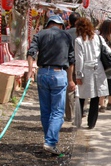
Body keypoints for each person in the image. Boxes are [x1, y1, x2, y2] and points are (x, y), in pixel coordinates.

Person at [27, 15, 75, 156]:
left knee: (46, 110)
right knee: (58, 112)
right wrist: (70, 79)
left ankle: (48, 140)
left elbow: (31, 52)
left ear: (48, 25)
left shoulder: (40, 34)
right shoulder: (66, 36)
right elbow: (71, 60)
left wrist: (30, 70)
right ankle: (50, 142)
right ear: (60, 25)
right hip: (59, 73)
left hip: (42, 73)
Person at [74, 17, 109, 130]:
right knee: (95, 96)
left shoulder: (79, 41)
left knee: (81, 96)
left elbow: (79, 60)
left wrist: (78, 75)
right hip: (98, 69)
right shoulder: (98, 38)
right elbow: (108, 50)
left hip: (86, 70)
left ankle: (78, 120)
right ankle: (91, 123)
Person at [64, 12, 80, 122]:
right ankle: (81, 111)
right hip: (81, 64)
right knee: (82, 88)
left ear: (69, 22)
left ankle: (69, 114)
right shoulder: (83, 34)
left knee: (69, 89)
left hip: (68, 63)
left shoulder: (65, 33)